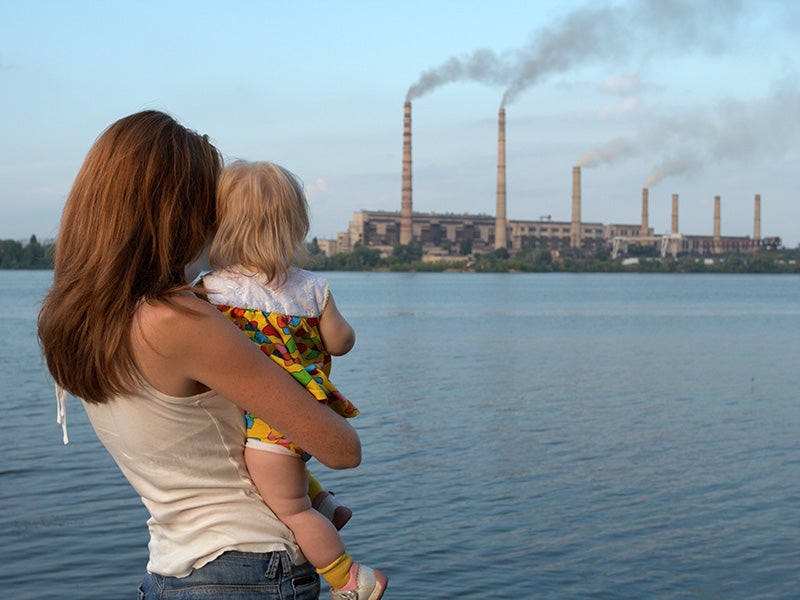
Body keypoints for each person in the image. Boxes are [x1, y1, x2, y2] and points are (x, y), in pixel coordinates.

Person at [38, 110, 363, 599]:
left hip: (172, 568)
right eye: (211, 206)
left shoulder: (80, 320)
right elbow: (342, 449)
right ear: (178, 213)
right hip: (249, 568)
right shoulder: (179, 320)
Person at [202, 160, 387, 600]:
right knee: (285, 477)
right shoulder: (313, 289)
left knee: (290, 509)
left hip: (267, 420)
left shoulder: (211, 291)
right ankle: (328, 505)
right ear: (296, 224)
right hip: (308, 412)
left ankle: (350, 579)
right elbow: (340, 342)